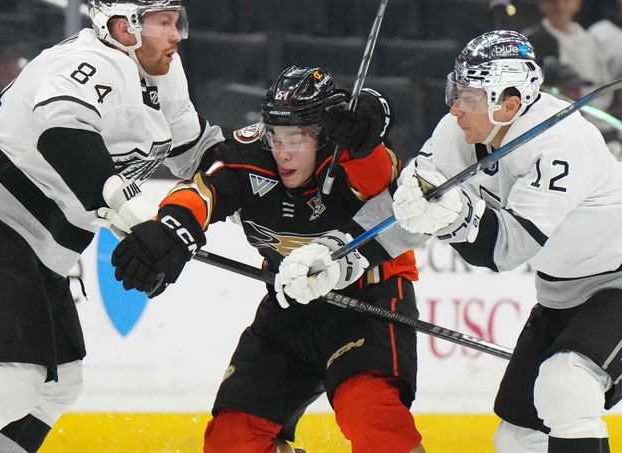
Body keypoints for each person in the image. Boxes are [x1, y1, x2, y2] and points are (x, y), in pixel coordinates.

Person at [284, 31, 622, 453]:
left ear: (508, 103)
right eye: (456, 91)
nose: (455, 107)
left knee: (567, 386)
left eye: (469, 96)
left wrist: (456, 217)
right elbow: (408, 210)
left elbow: (509, 249)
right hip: (565, 288)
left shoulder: (561, 144)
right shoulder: (455, 134)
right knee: (518, 434)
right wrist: (339, 254)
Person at [0, 0, 223, 453]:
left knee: (56, 384)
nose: (176, 35)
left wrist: (260, 184)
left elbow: (197, 155)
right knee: (8, 379)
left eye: (178, 22)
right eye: (164, 22)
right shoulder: (85, 63)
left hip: (34, 242)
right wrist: (137, 222)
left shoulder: (164, 74)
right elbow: (64, 137)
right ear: (124, 27)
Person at [107, 66, 426, 453]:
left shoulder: (351, 153)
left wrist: (366, 139)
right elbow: (203, 189)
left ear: (323, 133)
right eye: (276, 137)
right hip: (287, 310)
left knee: (376, 424)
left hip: (365, 303)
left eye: (296, 138)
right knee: (231, 441)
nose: (283, 152)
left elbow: (384, 183)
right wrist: (171, 227)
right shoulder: (248, 154)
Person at [522, 0, 610, 103]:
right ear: (541, 4)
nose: (560, 5)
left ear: (578, 1)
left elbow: (604, 82)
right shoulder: (530, 42)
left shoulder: (592, 38)